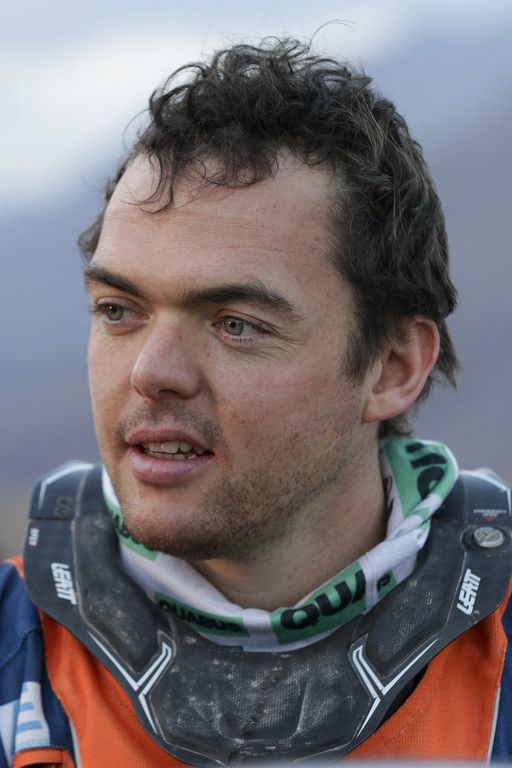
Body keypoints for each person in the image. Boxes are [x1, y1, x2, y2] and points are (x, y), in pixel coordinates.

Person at [1, 37, 511, 767]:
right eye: (118, 310)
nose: (151, 372)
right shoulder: (13, 647)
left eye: (236, 324)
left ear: (392, 368)